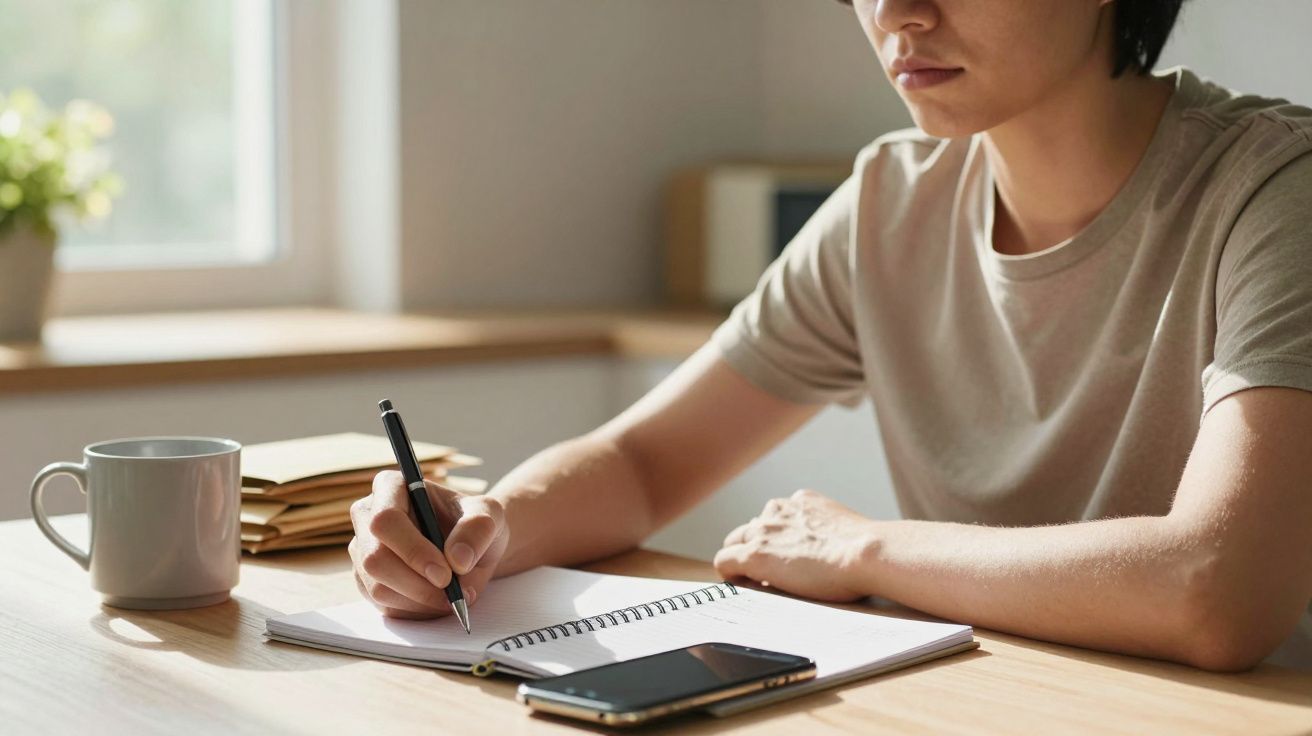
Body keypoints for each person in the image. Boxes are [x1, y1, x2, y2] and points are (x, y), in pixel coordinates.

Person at [349, 0, 1312, 671]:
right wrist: (485, 533)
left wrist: (866, 552)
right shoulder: (893, 201)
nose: (896, 12)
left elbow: (1217, 593)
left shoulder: (1276, 192)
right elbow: (645, 463)